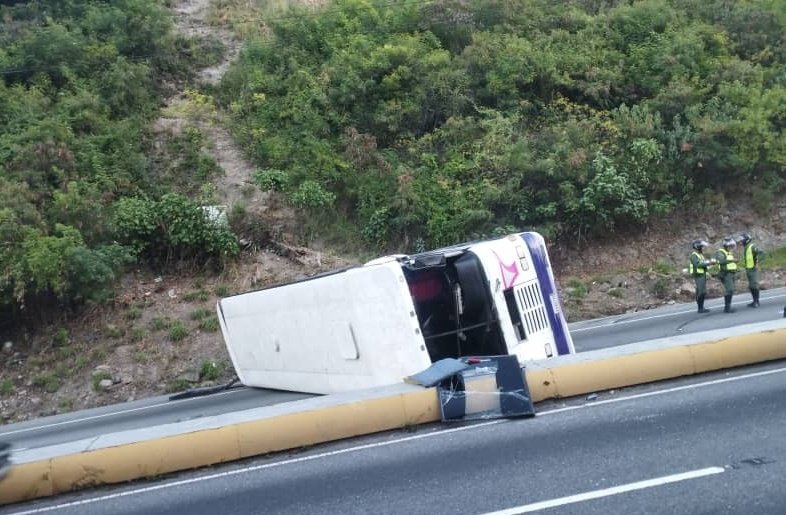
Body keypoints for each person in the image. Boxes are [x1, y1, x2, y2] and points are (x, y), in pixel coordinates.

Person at [737, 233, 764, 308]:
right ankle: (754, 301)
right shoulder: (746, 247)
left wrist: (757, 263)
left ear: (746, 240)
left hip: (753, 269)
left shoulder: (752, 246)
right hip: (748, 269)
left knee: (754, 285)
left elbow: (761, 254)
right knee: (751, 286)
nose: (741, 242)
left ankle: (756, 302)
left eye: (742, 240)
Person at [688, 239, 715, 313]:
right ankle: (700, 308)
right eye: (702, 246)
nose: (703, 248)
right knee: (701, 292)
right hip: (698, 275)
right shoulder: (694, 255)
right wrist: (709, 263)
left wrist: (710, 264)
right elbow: (698, 265)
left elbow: (703, 265)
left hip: (702, 274)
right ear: (697, 247)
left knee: (702, 291)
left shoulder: (700, 255)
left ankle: (701, 307)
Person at [714, 237, 738, 313]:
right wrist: (731, 260)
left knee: (731, 290)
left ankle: (728, 306)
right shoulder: (720, 252)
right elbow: (721, 261)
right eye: (730, 245)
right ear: (726, 245)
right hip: (726, 273)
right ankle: (727, 308)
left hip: (731, 273)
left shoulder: (728, 252)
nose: (732, 247)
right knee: (729, 289)